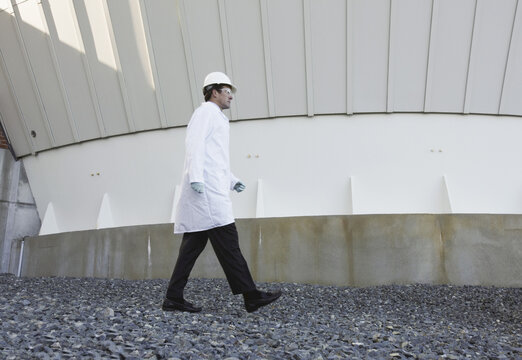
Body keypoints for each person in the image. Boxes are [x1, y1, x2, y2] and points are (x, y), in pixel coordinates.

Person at [162, 72, 282, 313]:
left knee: (191, 248)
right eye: (227, 91)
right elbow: (194, 145)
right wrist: (195, 178)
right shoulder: (206, 113)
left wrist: (231, 180)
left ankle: (173, 298)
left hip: (210, 188)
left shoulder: (214, 116)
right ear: (214, 91)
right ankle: (251, 296)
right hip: (206, 194)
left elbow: (215, 158)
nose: (231, 96)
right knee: (228, 243)